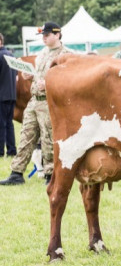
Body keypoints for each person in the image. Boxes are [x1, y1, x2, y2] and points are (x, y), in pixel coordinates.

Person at [0, 22, 71, 186]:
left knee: (48, 139)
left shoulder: (66, 55)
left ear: (57, 35)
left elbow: (67, 81)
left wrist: (47, 85)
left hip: (49, 102)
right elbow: (38, 75)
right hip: (34, 101)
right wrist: (29, 76)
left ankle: (50, 174)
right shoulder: (42, 53)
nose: (44, 38)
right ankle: (16, 173)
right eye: (43, 36)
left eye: (47, 35)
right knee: (26, 136)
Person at [0, 33, 17, 158]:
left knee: (1, 124)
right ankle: (12, 151)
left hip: (1, 95)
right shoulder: (11, 55)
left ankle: (0, 151)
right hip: (11, 94)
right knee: (9, 124)